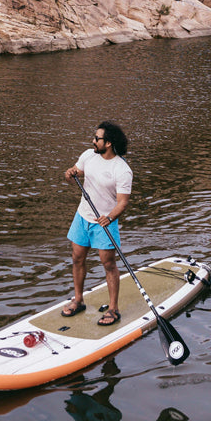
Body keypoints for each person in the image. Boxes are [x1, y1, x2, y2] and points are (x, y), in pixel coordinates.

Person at [63, 121, 132, 326]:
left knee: (108, 264)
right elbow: (76, 172)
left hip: (105, 222)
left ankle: (113, 309)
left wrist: (109, 218)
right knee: (77, 257)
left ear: (108, 143)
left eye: (97, 138)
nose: (93, 141)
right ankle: (78, 300)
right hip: (82, 216)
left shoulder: (122, 169)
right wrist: (70, 173)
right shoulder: (88, 155)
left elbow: (123, 202)